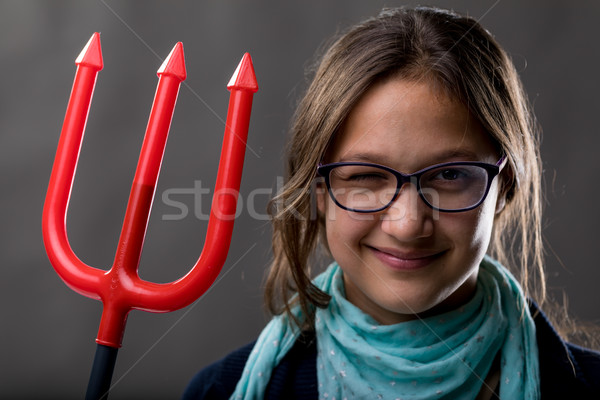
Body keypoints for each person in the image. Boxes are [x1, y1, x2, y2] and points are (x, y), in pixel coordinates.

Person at [183, 6, 600, 399]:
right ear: (318, 192)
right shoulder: (222, 391)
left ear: (503, 186)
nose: (406, 225)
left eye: (450, 175)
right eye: (365, 177)